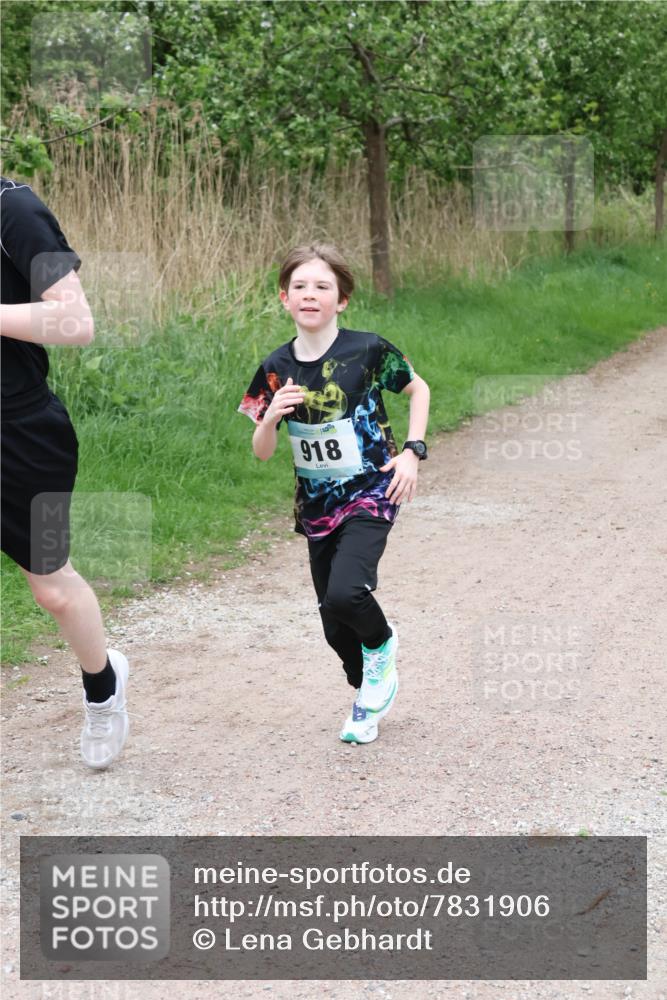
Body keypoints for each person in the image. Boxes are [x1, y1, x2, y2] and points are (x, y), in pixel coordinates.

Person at [238, 242, 430, 744]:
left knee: (348, 592)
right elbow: (261, 451)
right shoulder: (275, 366)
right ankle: (367, 692)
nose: (310, 294)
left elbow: (419, 389)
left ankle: (382, 647)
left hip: (372, 491)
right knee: (332, 621)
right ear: (284, 298)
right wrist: (272, 415)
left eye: (322, 286)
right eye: (299, 286)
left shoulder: (366, 349)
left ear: (340, 300)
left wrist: (412, 451)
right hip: (317, 506)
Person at [0, 176, 129, 769]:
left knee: (51, 587)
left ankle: (103, 690)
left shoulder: (18, 211)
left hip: (24, 436)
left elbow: (76, 323)